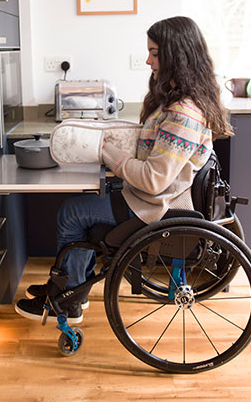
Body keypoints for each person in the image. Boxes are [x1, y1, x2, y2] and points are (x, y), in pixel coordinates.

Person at [15, 16, 232, 324]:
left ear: (176, 54)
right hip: (157, 198)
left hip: (157, 205)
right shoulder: (183, 101)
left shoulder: (182, 113)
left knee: (72, 212)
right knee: (85, 204)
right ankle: (73, 287)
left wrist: (107, 151)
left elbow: (154, 180)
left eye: (155, 52)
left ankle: (67, 301)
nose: (148, 60)